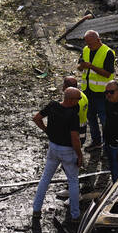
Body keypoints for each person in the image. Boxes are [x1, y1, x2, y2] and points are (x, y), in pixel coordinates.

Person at [32, 87, 84, 223]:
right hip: (67, 150)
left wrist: (47, 131)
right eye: (78, 98)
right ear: (71, 100)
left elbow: (37, 118)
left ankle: (36, 209)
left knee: (45, 178)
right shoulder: (73, 115)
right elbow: (75, 138)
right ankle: (75, 214)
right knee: (73, 181)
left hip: (53, 147)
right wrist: (79, 155)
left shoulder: (52, 105)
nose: (79, 101)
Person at [78, 30, 116, 149]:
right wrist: (81, 66)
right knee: (91, 117)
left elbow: (107, 73)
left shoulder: (107, 52)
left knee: (104, 119)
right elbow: (80, 67)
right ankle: (96, 142)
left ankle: (108, 144)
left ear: (98, 40)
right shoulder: (85, 49)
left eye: (90, 43)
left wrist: (92, 67)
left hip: (102, 93)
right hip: (88, 91)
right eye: (87, 43)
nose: (88, 46)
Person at [61, 75, 89, 141]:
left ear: (66, 86)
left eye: (64, 85)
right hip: (83, 127)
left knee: (74, 147)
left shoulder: (72, 101)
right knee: (80, 143)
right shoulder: (82, 95)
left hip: (75, 129)